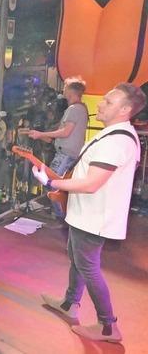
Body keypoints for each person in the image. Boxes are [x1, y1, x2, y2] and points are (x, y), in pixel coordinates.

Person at [31, 83, 145, 342]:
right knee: (78, 259)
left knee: (88, 267)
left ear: (125, 109)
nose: (100, 104)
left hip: (95, 218)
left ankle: (108, 326)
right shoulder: (113, 134)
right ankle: (70, 303)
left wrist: (51, 183)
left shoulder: (117, 141)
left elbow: (91, 183)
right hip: (86, 214)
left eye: (108, 100)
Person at [27, 78, 88, 219]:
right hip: (66, 153)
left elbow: (66, 132)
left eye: (65, 88)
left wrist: (41, 134)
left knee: (52, 183)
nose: (63, 90)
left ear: (71, 92)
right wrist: (41, 136)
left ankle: (61, 215)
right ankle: (61, 214)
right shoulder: (80, 108)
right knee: (55, 184)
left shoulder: (74, 109)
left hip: (66, 154)